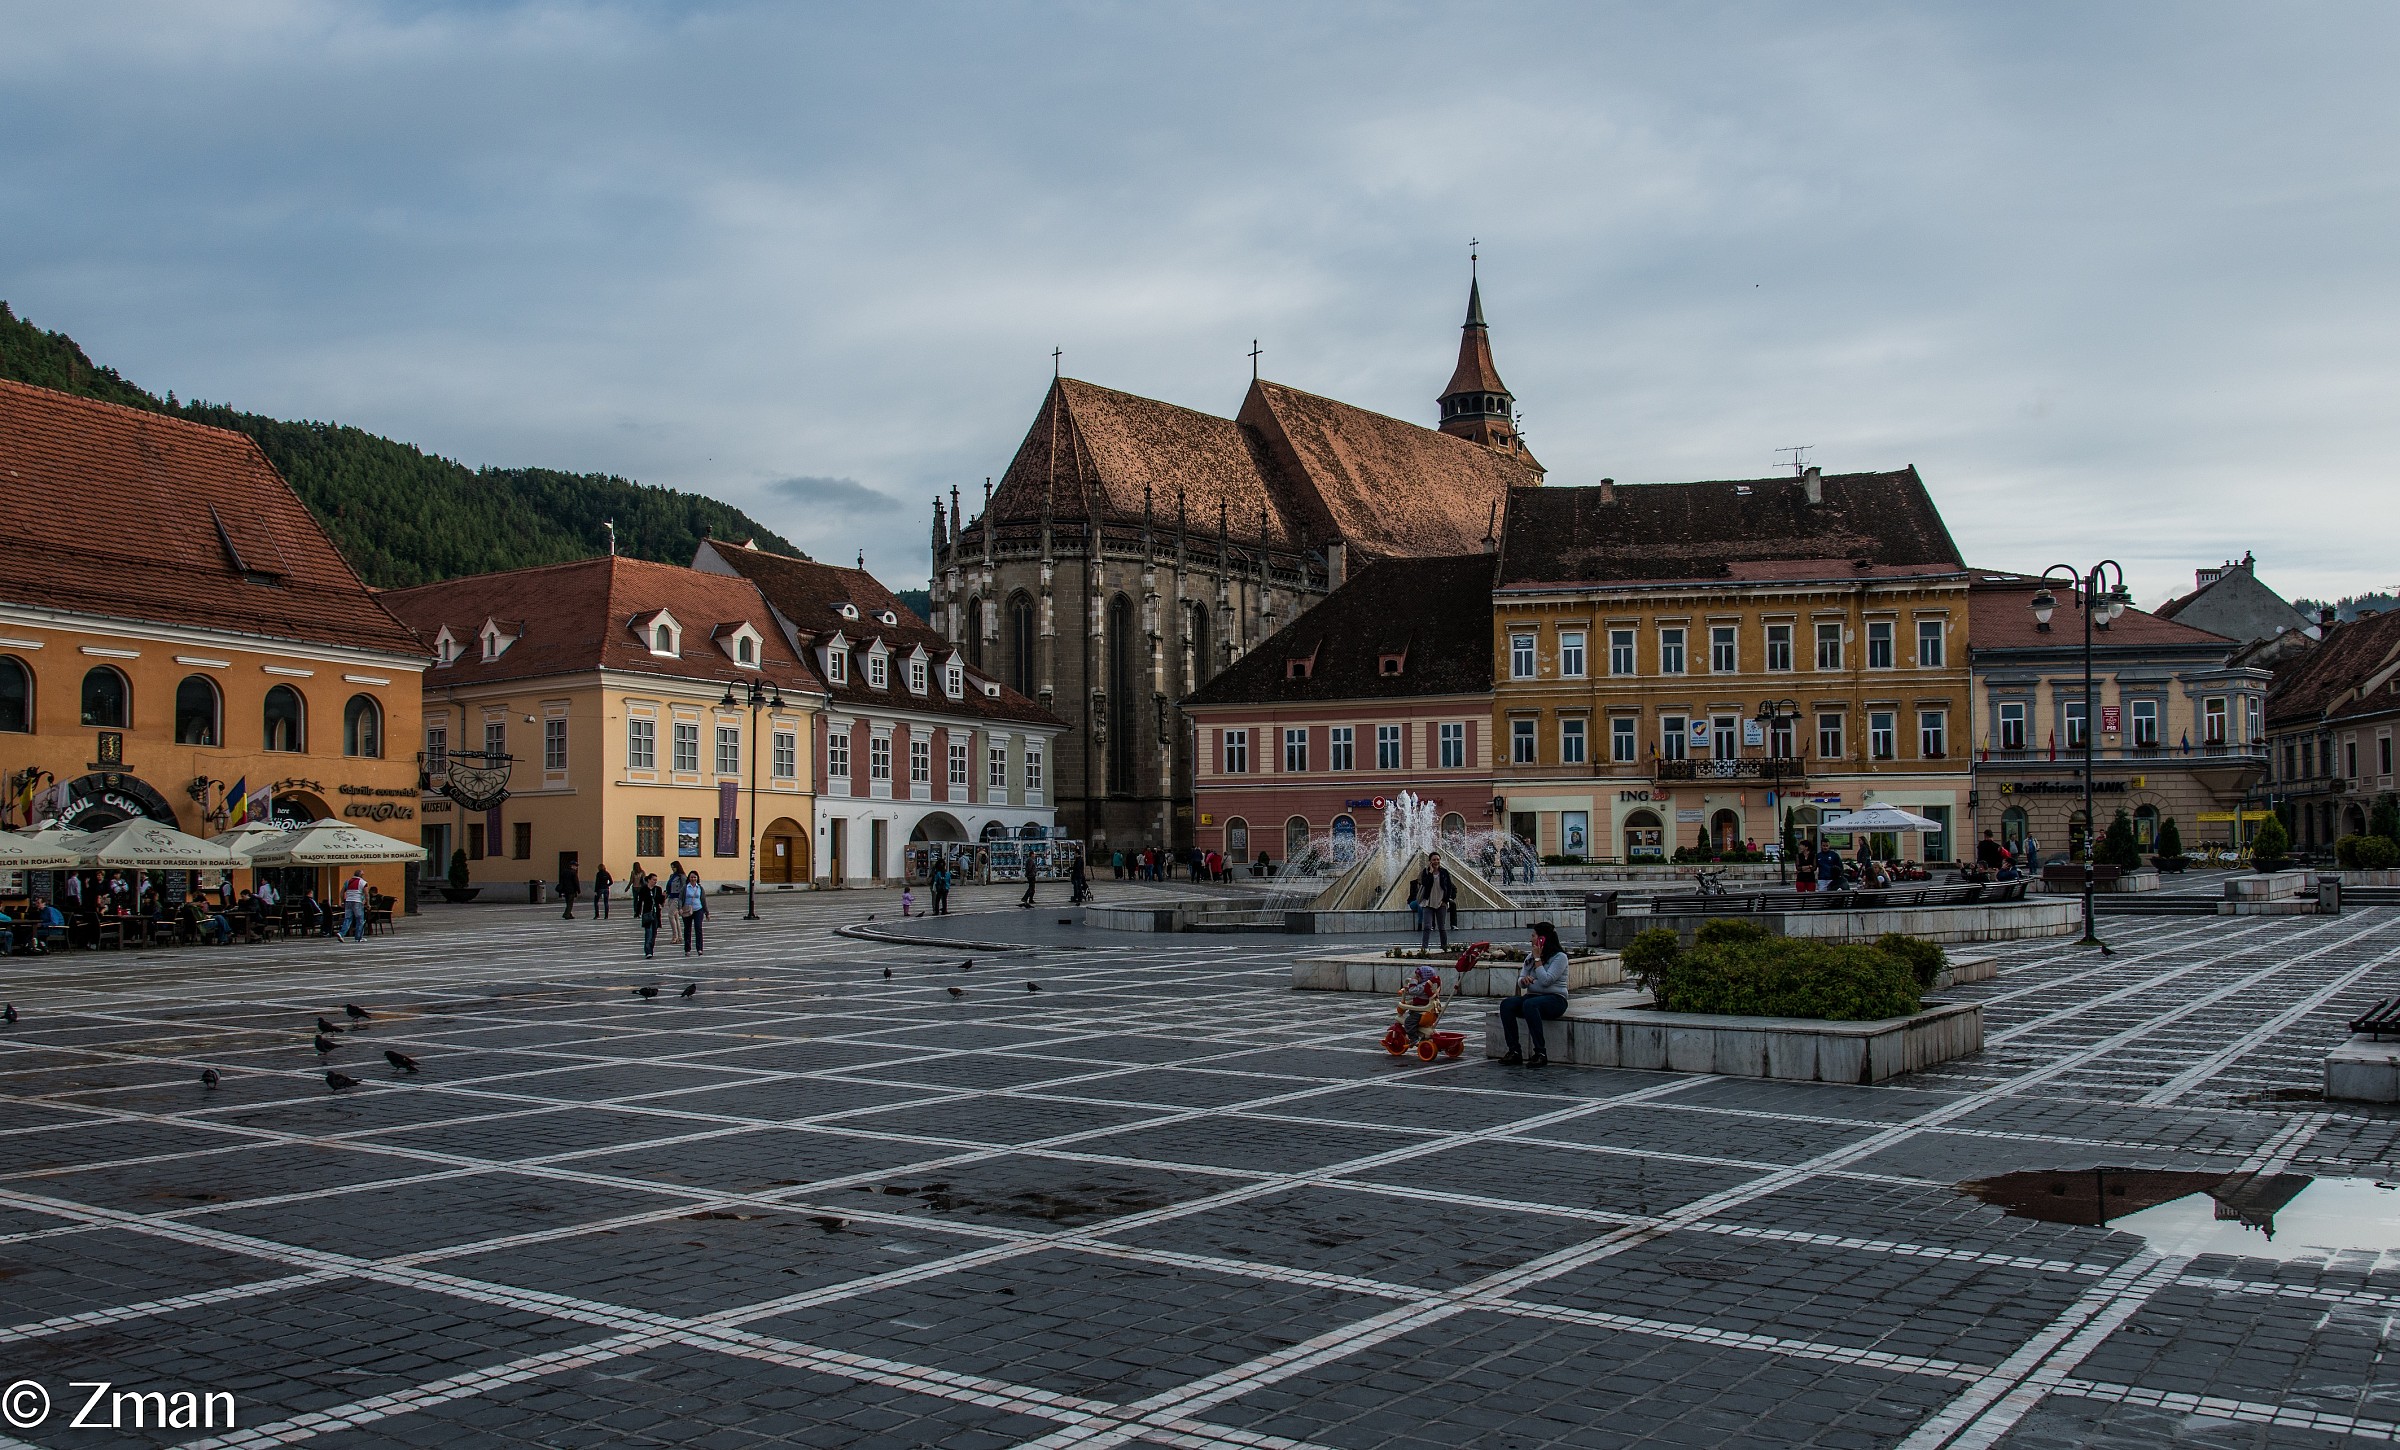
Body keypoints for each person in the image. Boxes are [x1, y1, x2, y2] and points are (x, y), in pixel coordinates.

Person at [1497, 921, 1572, 1067]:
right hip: (1532, 997)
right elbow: (1520, 979)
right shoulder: (1531, 956)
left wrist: (1538, 960)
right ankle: (1514, 1051)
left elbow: (1546, 981)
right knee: (1507, 1004)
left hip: (1555, 1000)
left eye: (1533, 936)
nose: (1531, 939)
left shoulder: (1560, 957)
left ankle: (1540, 1053)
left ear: (1542, 939)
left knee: (1530, 1005)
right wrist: (1524, 981)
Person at [1414, 853, 1454, 951]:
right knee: (1427, 926)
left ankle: (1444, 946)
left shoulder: (1444, 872)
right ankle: (1424, 947)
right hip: (1428, 902)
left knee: (1441, 926)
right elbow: (1425, 883)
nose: (1436, 861)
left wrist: (1445, 900)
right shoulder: (1426, 872)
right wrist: (1431, 873)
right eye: (1434, 860)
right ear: (1430, 861)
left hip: (1441, 902)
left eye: (1437, 859)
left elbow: (1449, 887)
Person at [680, 870, 707, 955]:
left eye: (695, 877)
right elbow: (680, 898)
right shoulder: (685, 887)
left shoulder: (700, 888)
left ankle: (699, 948)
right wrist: (680, 908)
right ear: (689, 878)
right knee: (687, 929)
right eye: (691, 877)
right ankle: (687, 949)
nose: (693, 879)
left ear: (697, 878)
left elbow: (703, 900)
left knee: (698, 928)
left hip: (698, 909)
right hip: (687, 910)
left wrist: (707, 912)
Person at [638, 872, 663, 959]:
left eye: (656, 880)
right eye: (653, 880)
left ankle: (651, 949)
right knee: (648, 932)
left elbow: (660, 901)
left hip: (656, 913)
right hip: (647, 913)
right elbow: (640, 901)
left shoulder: (658, 889)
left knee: (654, 933)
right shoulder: (644, 889)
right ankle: (648, 951)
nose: (655, 882)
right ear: (649, 880)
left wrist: (663, 897)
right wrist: (638, 912)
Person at [339, 870, 369, 942]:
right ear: (361, 875)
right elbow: (366, 894)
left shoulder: (347, 882)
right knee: (360, 920)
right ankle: (358, 937)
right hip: (357, 901)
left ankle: (341, 933)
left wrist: (343, 902)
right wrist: (368, 903)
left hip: (348, 901)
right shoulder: (363, 882)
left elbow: (341, 893)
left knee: (348, 919)